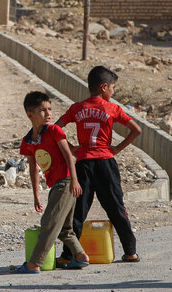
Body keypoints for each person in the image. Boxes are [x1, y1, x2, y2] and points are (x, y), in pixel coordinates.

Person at [57, 66, 142, 264]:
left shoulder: (77, 108)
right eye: (113, 88)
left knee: (77, 210)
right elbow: (136, 129)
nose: (113, 92)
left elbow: (55, 128)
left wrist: (71, 148)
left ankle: (68, 255)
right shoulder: (112, 108)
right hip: (105, 163)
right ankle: (130, 252)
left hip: (84, 164)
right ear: (104, 87)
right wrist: (117, 149)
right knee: (116, 208)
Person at [11, 91, 90, 273]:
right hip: (57, 185)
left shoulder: (54, 131)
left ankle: (34, 263)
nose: (48, 114)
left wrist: (75, 181)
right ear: (30, 114)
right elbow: (33, 168)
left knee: (49, 223)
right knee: (64, 228)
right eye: (42, 110)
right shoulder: (28, 141)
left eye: (49, 109)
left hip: (67, 182)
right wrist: (36, 195)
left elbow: (69, 155)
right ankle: (80, 256)